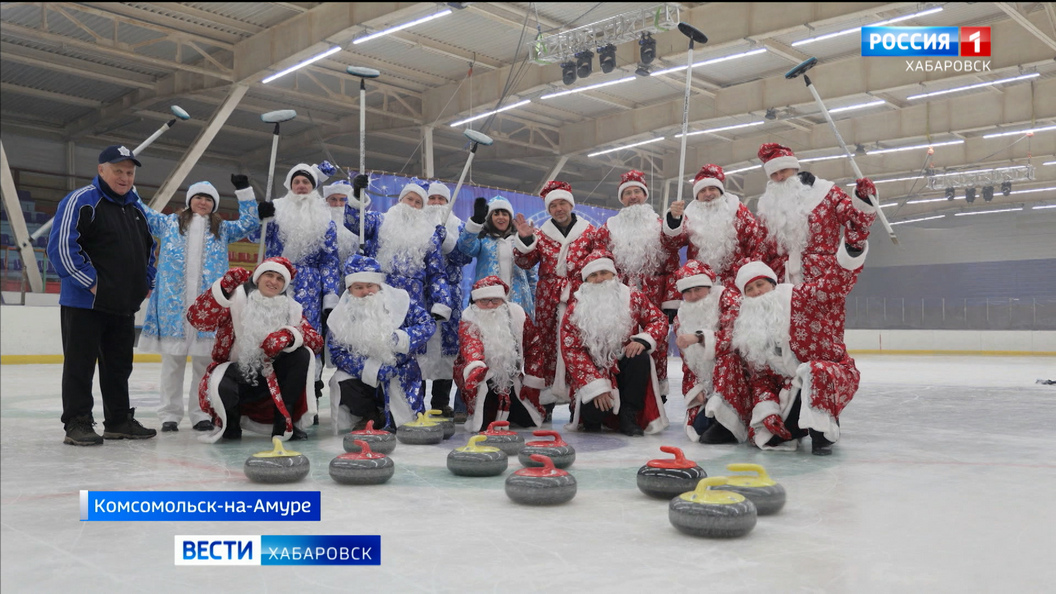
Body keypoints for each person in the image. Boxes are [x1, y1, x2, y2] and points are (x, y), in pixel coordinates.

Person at [48, 145, 158, 446]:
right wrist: (93, 283)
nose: (125, 177)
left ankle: (118, 421)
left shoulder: (136, 210)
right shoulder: (82, 200)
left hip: (123, 303)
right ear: (101, 170)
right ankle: (78, 422)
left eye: (129, 172)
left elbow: (149, 250)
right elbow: (61, 248)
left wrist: (144, 282)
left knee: (119, 366)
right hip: (85, 302)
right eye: (118, 170)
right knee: (80, 365)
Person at [138, 176, 260, 433]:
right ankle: (169, 415)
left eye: (208, 199)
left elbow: (250, 222)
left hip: (209, 308)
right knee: (172, 364)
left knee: (204, 365)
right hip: (174, 307)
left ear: (214, 204)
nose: (203, 202)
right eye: (198, 197)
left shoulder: (222, 229)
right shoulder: (169, 223)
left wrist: (244, 193)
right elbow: (142, 212)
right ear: (189, 200)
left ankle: (200, 413)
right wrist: (129, 188)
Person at [730, 253, 866, 455]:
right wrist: (768, 409)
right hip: (792, 388)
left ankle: (822, 436)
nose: (756, 292)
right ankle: (800, 425)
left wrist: (852, 251)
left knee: (814, 371)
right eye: (749, 289)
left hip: (830, 375)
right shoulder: (750, 330)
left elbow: (832, 286)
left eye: (760, 284)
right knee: (771, 437)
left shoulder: (800, 297)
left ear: (773, 284)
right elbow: (761, 378)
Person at [187, 257, 322, 442]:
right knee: (222, 380)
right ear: (258, 278)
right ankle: (231, 423)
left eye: (280, 279)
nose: (273, 281)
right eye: (269, 275)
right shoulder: (235, 300)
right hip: (238, 374)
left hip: (275, 378)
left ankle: (283, 424)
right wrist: (223, 289)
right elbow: (198, 320)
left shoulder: (292, 308)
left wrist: (288, 336)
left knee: (302, 354)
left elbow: (316, 341)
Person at [258, 163, 341, 410]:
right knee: (272, 333)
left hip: (310, 287)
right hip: (276, 283)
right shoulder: (277, 213)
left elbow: (330, 260)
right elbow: (257, 237)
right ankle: (270, 396)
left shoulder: (325, 221)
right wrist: (261, 217)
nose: (301, 186)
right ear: (290, 186)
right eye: (297, 182)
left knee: (307, 338)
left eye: (306, 182)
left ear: (313, 188)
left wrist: (330, 294)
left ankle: (308, 399)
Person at [513, 181, 600, 413]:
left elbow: (600, 260)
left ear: (570, 205)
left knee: (580, 345)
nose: (558, 209)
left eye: (562, 203)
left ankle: (579, 405)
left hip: (581, 296)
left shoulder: (590, 232)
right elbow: (524, 262)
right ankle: (546, 404)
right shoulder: (540, 235)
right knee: (547, 346)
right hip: (548, 299)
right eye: (553, 205)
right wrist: (526, 241)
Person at [561, 251, 669, 436]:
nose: (599, 279)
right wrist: (595, 387)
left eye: (604, 273)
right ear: (586, 280)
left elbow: (659, 320)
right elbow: (571, 349)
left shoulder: (633, 297)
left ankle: (629, 415)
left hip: (624, 366)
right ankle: (592, 412)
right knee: (593, 417)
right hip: (594, 373)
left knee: (640, 358)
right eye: (593, 275)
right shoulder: (576, 308)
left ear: (613, 274)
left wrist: (643, 340)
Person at [594, 170, 680, 398]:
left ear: (645, 195)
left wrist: (671, 301)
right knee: (620, 342)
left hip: (655, 296)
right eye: (628, 193)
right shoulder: (608, 228)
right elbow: (598, 259)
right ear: (621, 198)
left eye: (637, 192)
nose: (633, 196)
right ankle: (623, 393)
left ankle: (657, 397)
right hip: (619, 298)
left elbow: (673, 262)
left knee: (656, 344)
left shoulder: (659, 226)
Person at [327, 255, 435, 432]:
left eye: (370, 285)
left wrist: (400, 338)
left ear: (378, 284)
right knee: (340, 381)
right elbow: (338, 353)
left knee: (402, 425)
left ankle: (388, 415)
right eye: (358, 287)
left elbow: (427, 324)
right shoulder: (339, 315)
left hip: (399, 370)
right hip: (362, 375)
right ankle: (370, 415)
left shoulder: (400, 300)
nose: (366, 291)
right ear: (349, 289)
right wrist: (371, 369)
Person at [753, 143, 877, 286]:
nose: (779, 177)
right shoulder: (769, 207)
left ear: (794, 168)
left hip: (822, 280)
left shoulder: (826, 193)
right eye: (774, 174)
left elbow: (855, 219)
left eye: (783, 171)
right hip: (781, 283)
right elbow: (762, 248)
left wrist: (864, 199)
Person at [454, 276, 543, 432]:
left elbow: (534, 344)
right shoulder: (469, 317)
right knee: (484, 422)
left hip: (511, 377)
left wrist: (532, 377)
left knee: (527, 420)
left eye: (495, 300)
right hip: (482, 376)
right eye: (484, 301)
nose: (490, 305)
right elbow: (471, 345)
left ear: (503, 300)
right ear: (475, 302)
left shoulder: (517, 315)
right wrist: (476, 368)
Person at [419, 181, 473, 417]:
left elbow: (464, 258)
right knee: (420, 348)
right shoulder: (416, 224)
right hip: (421, 294)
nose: (436, 203)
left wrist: (447, 240)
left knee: (448, 349)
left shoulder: (458, 226)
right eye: (432, 199)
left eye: (441, 199)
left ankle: (440, 402)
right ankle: (416, 402)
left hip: (450, 294)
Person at [664, 164, 762, 288]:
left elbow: (755, 242)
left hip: (738, 282)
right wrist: (674, 219)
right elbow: (673, 244)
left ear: (720, 191)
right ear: (697, 196)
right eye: (702, 191)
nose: (708, 194)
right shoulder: (689, 216)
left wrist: (749, 271)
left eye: (712, 189)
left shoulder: (737, 211)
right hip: (701, 285)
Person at [670, 260, 729, 442]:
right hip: (706, 383)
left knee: (730, 359)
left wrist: (700, 337)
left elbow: (734, 339)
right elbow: (688, 362)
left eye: (698, 289)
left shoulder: (726, 299)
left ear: (708, 287)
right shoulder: (681, 317)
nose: (694, 296)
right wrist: (695, 388)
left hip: (732, 379)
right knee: (698, 429)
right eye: (688, 292)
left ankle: (725, 421)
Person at [458, 196, 538, 317]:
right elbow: (465, 247)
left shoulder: (518, 241)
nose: (501, 217)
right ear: (490, 218)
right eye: (496, 214)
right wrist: (476, 222)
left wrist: (534, 301)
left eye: (505, 214)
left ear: (510, 218)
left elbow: (531, 274)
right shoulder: (483, 239)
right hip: (489, 301)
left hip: (519, 301)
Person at [322, 180, 360, 266]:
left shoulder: (359, 225)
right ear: (326, 201)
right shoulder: (318, 222)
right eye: (333, 199)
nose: (338, 204)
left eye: (343, 200)